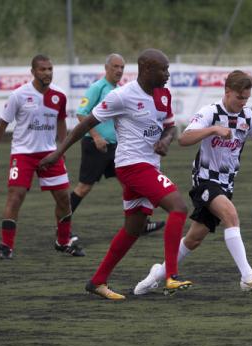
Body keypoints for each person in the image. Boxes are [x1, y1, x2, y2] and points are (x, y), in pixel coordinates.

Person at [40, 48, 192, 300]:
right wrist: (58, 153)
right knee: (178, 207)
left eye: (168, 69)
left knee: (133, 228)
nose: (167, 74)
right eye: (162, 69)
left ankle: (97, 281)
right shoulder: (121, 96)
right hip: (132, 165)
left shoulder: (163, 94)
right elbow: (86, 123)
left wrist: (165, 140)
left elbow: (170, 127)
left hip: (149, 165)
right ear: (146, 69)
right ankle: (171, 276)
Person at [134, 70, 252, 295]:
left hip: (226, 185)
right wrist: (213, 129)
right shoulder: (210, 113)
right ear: (227, 92)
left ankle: (158, 274)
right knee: (231, 216)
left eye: (246, 98)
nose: (243, 102)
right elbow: (184, 139)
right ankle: (248, 278)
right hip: (205, 180)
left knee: (193, 239)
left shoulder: (248, 117)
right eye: (239, 97)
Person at [0, 54, 84, 259]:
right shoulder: (19, 95)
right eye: (43, 69)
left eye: (50, 69)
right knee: (15, 197)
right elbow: (2, 125)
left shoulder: (59, 96)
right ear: (33, 72)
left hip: (50, 154)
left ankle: (63, 242)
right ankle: (6, 246)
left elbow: (61, 122)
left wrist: (61, 150)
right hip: (23, 154)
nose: (47, 73)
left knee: (64, 199)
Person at [71, 54, 164, 239]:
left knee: (131, 184)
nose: (119, 70)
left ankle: (141, 224)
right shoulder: (97, 88)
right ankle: (63, 222)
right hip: (95, 146)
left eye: (122, 67)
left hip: (116, 149)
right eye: (115, 66)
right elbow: (81, 114)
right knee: (83, 188)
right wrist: (96, 137)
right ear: (106, 68)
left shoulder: (119, 90)